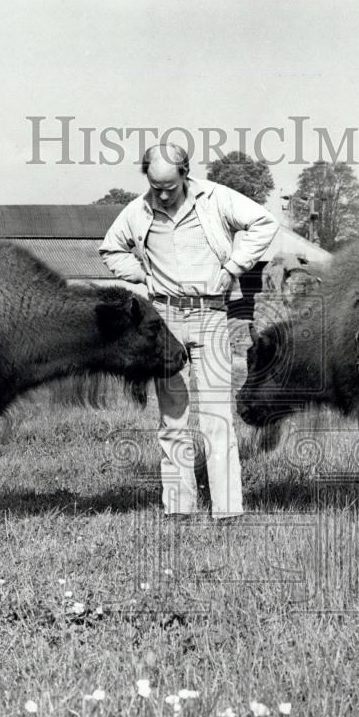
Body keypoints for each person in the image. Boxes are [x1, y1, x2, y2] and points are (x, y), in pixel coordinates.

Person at [99, 143, 279, 523]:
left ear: (185, 173)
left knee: (217, 417)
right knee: (172, 418)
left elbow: (263, 223)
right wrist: (141, 275)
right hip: (165, 323)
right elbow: (111, 249)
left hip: (212, 317)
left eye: (168, 185)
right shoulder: (137, 210)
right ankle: (179, 507)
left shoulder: (216, 199)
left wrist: (233, 265)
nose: (162, 194)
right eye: (154, 185)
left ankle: (227, 511)